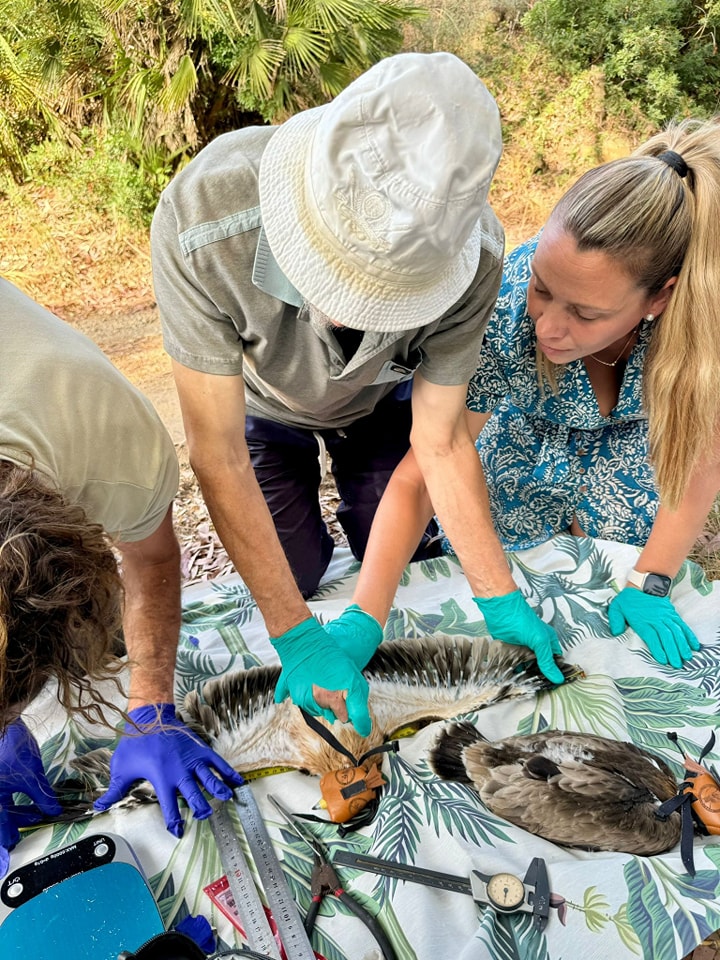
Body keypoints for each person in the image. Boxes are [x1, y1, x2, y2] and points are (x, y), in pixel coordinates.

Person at [150, 51, 505, 733]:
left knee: (406, 550)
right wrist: (296, 635)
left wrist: (498, 595)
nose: (351, 312)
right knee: (297, 573)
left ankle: (357, 504)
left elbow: (440, 438)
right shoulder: (203, 220)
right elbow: (215, 452)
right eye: (334, 274)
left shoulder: (479, 257)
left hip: (377, 408)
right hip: (261, 408)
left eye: (389, 296)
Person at [349, 116, 720, 677]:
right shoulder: (503, 306)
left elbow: (701, 461)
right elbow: (427, 465)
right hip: (517, 460)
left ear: (660, 301)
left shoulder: (705, 327)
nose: (547, 327)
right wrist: (364, 616)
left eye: (587, 314)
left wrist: (652, 580)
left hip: (631, 468)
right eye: (543, 289)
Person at [0, 278, 243, 854]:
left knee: (97, 652)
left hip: (69, 420)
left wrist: (152, 704)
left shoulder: (115, 446)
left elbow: (152, 559)